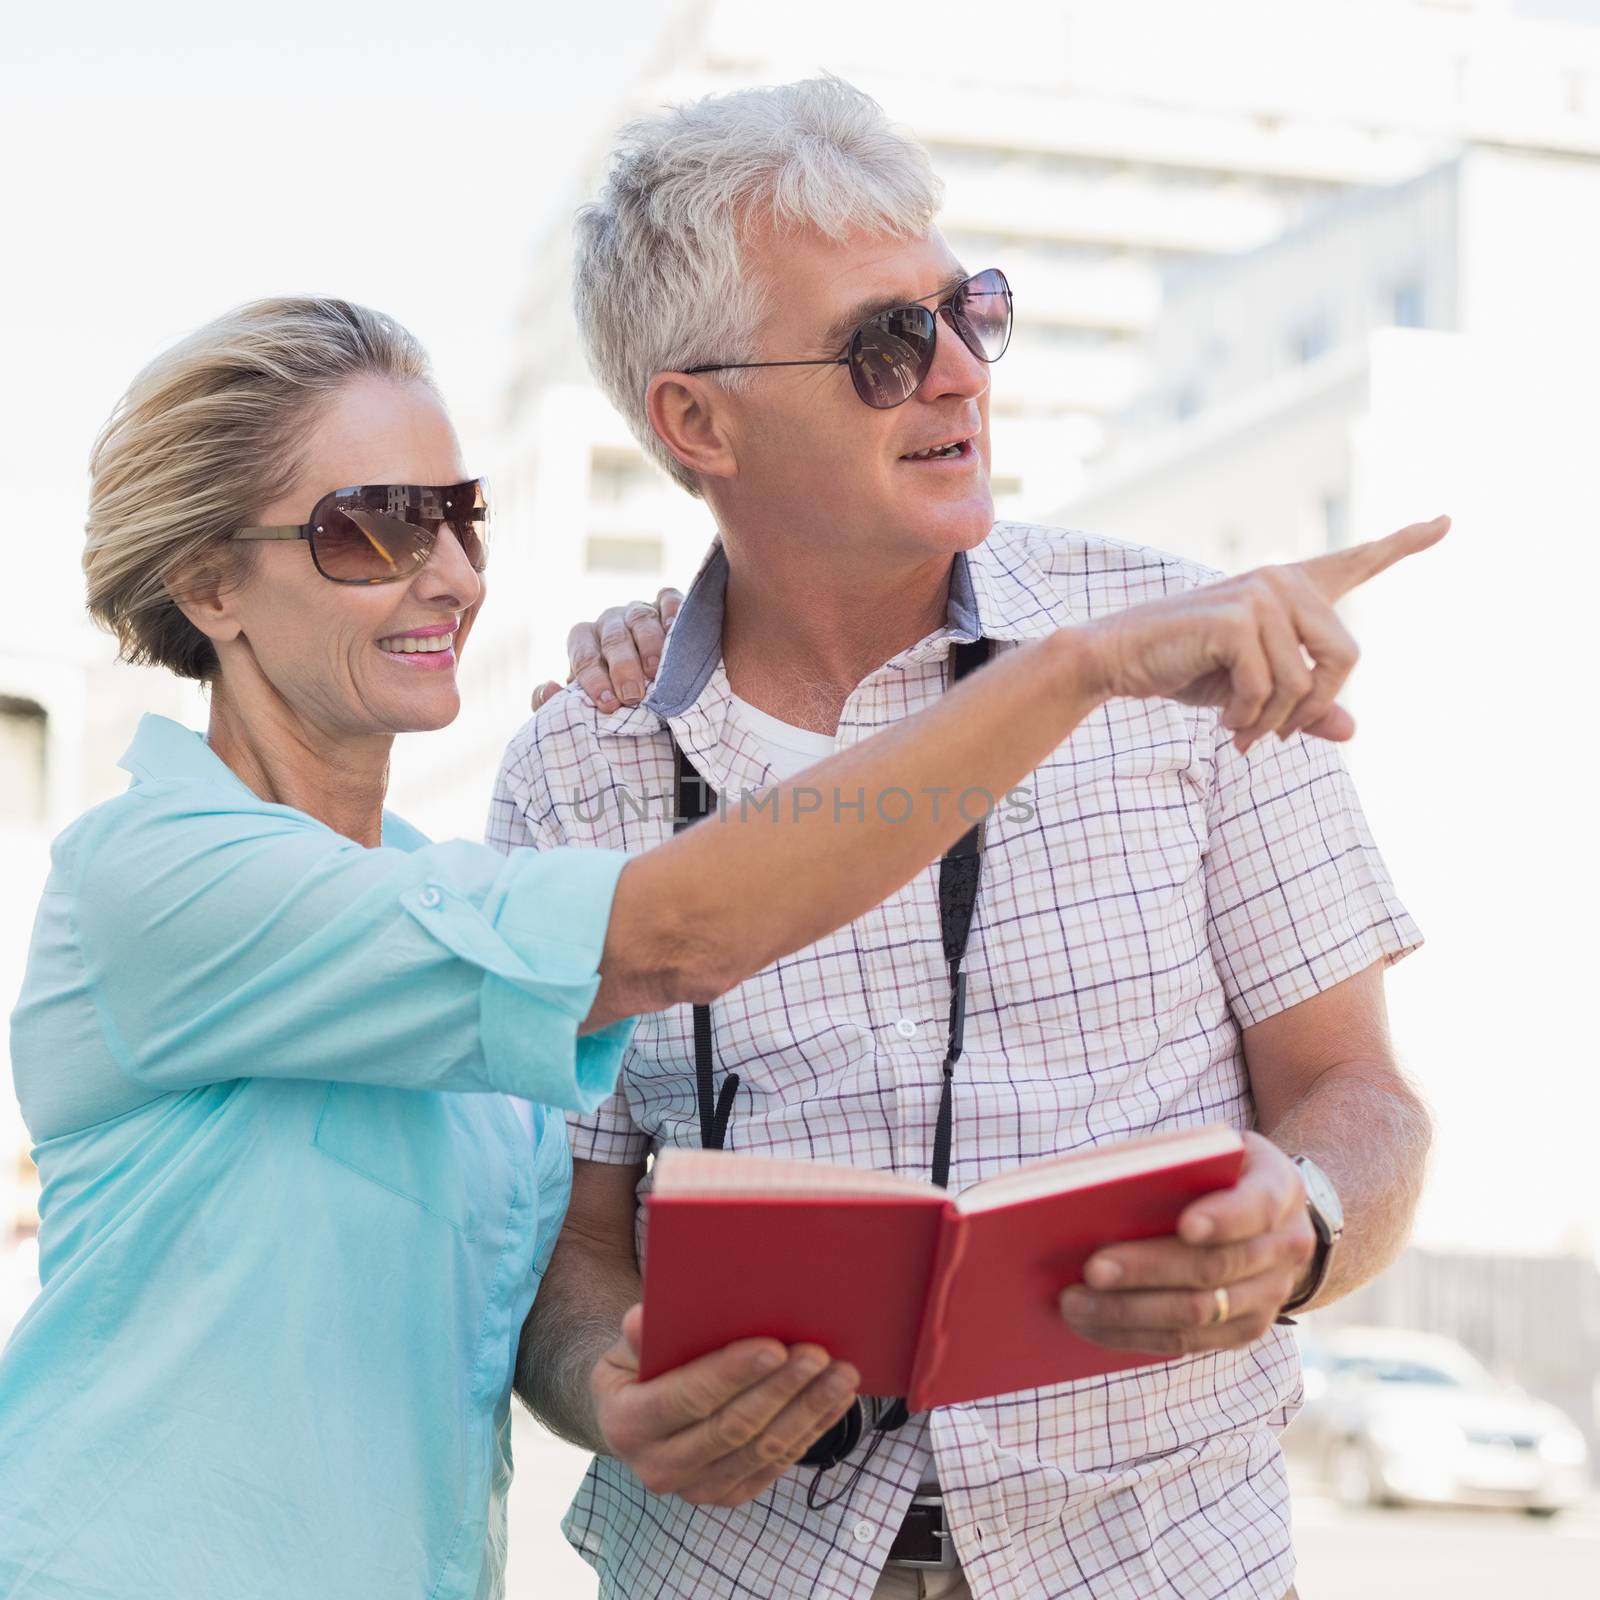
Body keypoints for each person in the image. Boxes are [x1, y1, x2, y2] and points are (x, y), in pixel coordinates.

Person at [0, 297, 1429, 1598]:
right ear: (209, 588)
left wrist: (613, 1382)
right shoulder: (160, 881)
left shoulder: (454, 891)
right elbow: (685, 928)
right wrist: (1080, 666)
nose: (447, 575)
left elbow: (544, 1278)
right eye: (370, 529)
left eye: (460, 517)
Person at [496, 78, 1443, 1600]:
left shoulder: (1192, 652)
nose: (958, 375)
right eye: (886, 343)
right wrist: (610, 1385)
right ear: (694, 418)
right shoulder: (573, 769)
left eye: (971, 313)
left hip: (1156, 1564)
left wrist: (1308, 1226)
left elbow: (1364, 1098)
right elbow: (567, 1246)